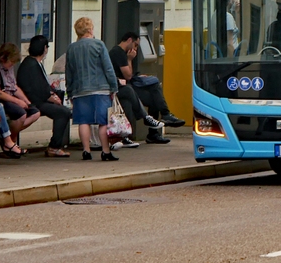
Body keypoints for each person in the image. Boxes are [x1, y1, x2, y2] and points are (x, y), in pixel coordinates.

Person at [65, 18, 119, 161]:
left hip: (79, 90)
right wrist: (114, 87)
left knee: (84, 121)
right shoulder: (99, 45)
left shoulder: (71, 48)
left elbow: (69, 72)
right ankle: (105, 151)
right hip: (100, 89)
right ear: (90, 30)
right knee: (102, 122)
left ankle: (86, 151)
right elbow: (108, 68)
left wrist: (69, 91)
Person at [110, 32, 184, 130]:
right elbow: (127, 76)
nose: (135, 49)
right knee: (154, 95)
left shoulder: (122, 52)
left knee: (154, 90)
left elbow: (130, 74)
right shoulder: (118, 53)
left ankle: (158, 126)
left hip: (129, 85)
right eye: (135, 45)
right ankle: (164, 115)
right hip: (123, 87)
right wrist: (129, 59)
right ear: (129, 40)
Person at [17, 35, 72, 158]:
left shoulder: (32, 62)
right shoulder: (32, 65)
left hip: (36, 99)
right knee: (63, 112)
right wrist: (54, 99)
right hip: (34, 102)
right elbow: (41, 90)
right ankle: (54, 146)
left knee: (63, 107)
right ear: (44, 49)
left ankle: (56, 145)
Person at [0, 44, 40, 148]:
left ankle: (6, 137)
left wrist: (26, 101)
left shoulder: (8, 66)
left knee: (35, 113)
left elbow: (14, 86)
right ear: (3, 58)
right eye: (11, 62)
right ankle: (9, 143)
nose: (12, 65)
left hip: (10, 95)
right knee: (21, 114)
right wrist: (17, 102)